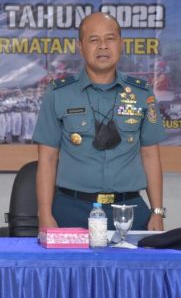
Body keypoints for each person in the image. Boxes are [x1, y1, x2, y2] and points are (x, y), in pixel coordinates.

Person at [33, 12, 166, 231]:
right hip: (70, 211)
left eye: (110, 39)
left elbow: (150, 155)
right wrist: (45, 214)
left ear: (121, 44)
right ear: (80, 46)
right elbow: (47, 159)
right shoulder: (58, 94)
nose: (103, 46)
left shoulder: (142, 93)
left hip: (129, 211)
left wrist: (157, 212)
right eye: (94, 40)